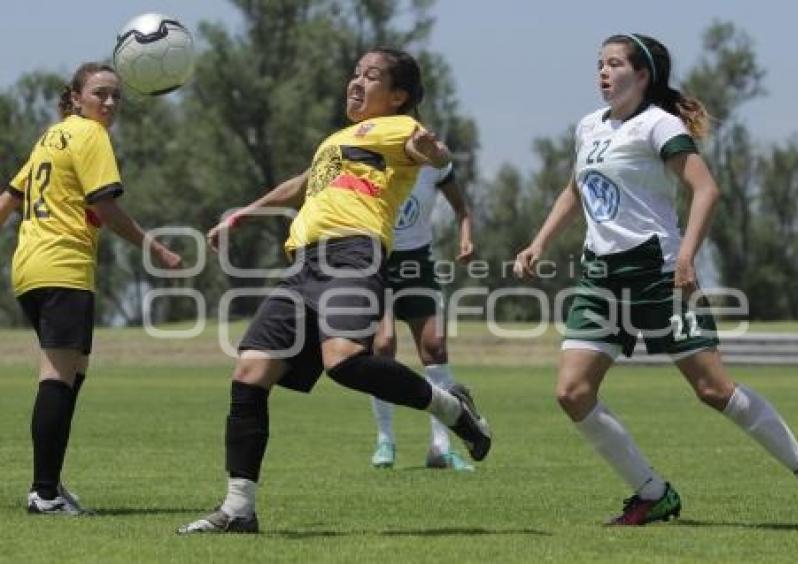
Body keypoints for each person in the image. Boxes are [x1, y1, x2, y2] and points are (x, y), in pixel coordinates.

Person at [514, 34, 798, 529]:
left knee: (714, 391)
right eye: (599, 64)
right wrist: (539, 242)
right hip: (601, 277)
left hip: (658, 274)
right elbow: (576, 188)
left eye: (614, 64)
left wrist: (687, 257)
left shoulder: (659, 125)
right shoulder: (588, 126)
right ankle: (653, 493)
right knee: (572, 392)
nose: (603, 73)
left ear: (643, 75)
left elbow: (706, 189)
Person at [178, 47, 491, 535]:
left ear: (399, 95)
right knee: (250, 371)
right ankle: (239, 509)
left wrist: (435, 152)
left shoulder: (398, 128)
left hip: (354, 254)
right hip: (303, 263)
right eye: (355, 73)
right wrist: (242, 214)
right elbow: (303, 183)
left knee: (344, 362)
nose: (356, 82)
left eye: (371, 76)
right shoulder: (336, 140)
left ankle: (449, 406)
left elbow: (429, 150)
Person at [0, 62, 182, 515]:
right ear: (76, 97)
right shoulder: (90, 135)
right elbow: (105, 205)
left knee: (73, 372)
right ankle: (43, 494)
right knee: (59, 377)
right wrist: (152, 246)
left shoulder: (51, 137)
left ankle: (51, 484)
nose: (110, 102)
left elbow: (8, 199)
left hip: (30, 268)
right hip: (62, 266)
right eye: (100, 93)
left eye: (117, 96)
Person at [369, 163, 476, 471]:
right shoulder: (372, 154)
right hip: (377, 262)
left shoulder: (433, 161)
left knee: (435, 347)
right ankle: (385, 439)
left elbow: (461, 209)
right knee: (383, 344)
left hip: (418, 264)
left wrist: (465, 237)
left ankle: (440, 448)